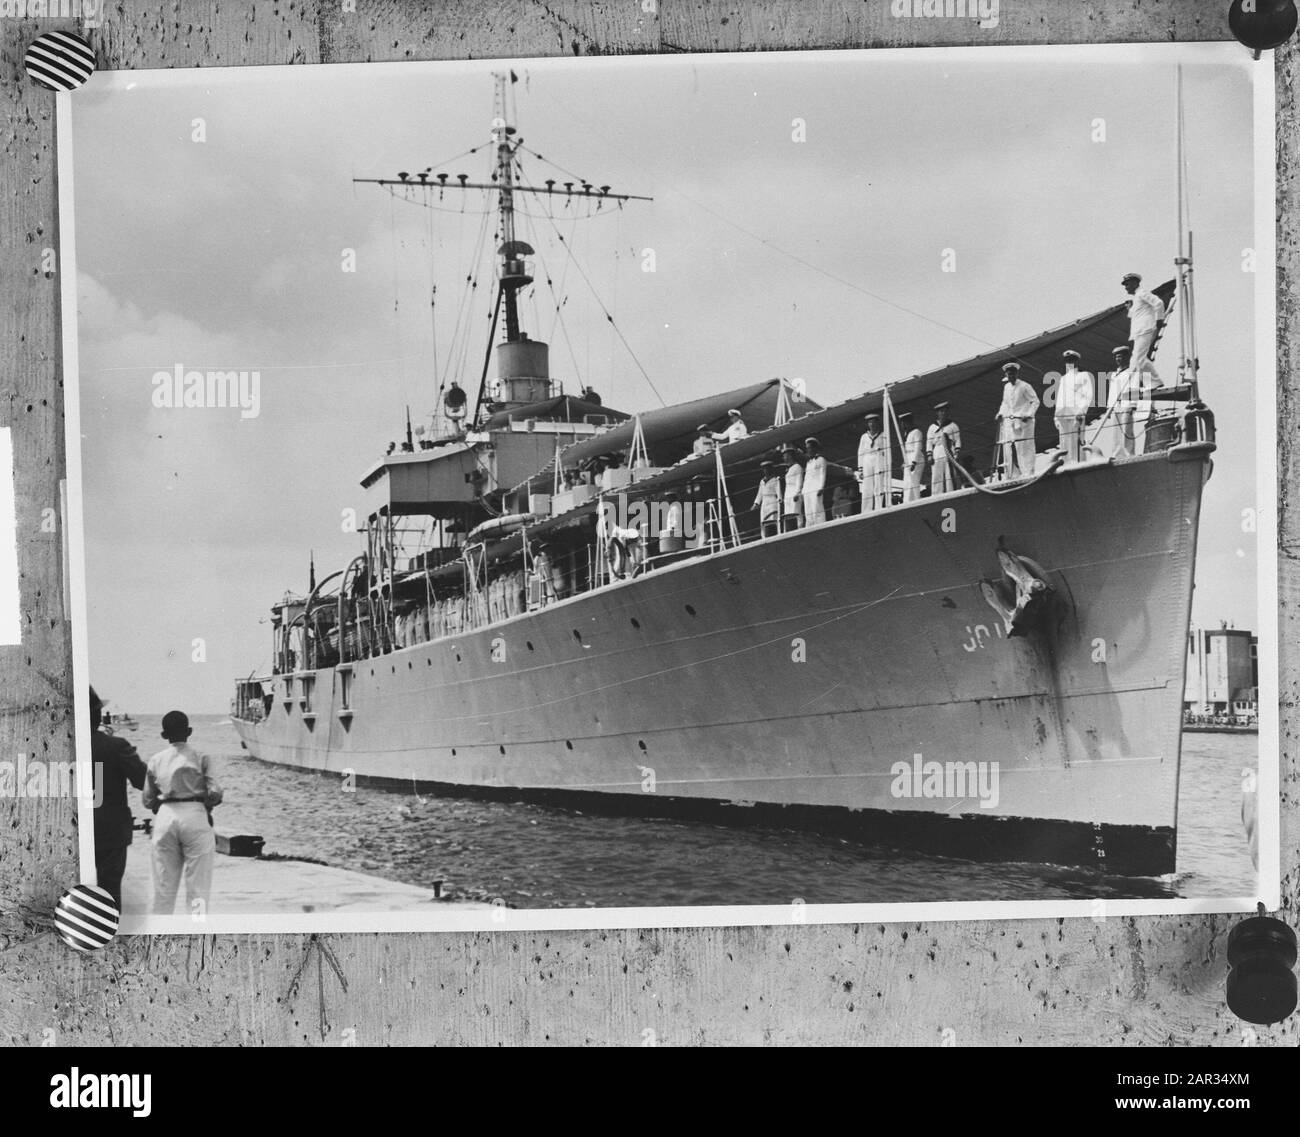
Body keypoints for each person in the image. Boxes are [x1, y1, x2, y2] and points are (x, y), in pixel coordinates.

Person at [143, 710, 222, 917]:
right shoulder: (201, 756)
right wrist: (207, 805)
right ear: (189, 731)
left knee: (162, 889)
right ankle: (195, 932)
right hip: (195, 815)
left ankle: (159, 932)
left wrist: (159, 805)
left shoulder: (155, 760)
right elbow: (215, 792)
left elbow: (147, 799)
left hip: (165, 817)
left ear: (163, 735)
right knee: (198, 889)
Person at [90, 687, 146, 910]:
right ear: (97, 715)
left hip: (70, 831)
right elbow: (143, 781)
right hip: (110, 833)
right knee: (110, 893)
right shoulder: (116, 746)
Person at [995, 362, 1040, 480]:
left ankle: (1028, 472)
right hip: (1011, 422)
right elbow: (1005, 403)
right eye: (1009, 374)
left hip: (1024, 421)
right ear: (1006, 375)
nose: (1011, 376)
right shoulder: (1006, 387)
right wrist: (1000, 413)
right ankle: (1014, 473)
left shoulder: (1025, 386)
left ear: (1017, 373)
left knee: (1025, 447)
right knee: (1010, 447)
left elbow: (1035, 401)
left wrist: (1029, 415)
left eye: (1013, 374)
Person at [1121, 272, 1165, 382]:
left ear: (1135, 283)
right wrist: (1130, 309)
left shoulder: (1142, 293)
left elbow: (1158, 303)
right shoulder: (1136, 298)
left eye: (1127, 284)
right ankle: (1154, 382)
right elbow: (1137, 315)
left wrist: (1159, 319)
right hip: (1139, 332)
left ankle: (1132, 384)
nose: (1126, 287)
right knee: (1140, 359)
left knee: (1137, 359)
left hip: (1145, 330)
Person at [1055, 349, 1093, 463]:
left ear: (1076, 361)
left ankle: (1078, 465)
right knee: (1064, 444)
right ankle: (1066, 465)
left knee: (1076, 444)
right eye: (1067, 360)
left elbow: (1088, 395)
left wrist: (1081, 412)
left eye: (1071, 360)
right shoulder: (1063, 378)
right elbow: (1060, 398)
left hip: (1076, 414)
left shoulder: (1083, 375)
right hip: (1063, 415)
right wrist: (1056, 416)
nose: (1069, 363)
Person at [1108, 344, 1140, 457]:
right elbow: (1112, 392)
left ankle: (1128, 453)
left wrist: (1133, 404)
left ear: (1126, 357)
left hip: (1127, 404)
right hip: (1116, 406)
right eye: (1116, 357)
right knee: (1116, 432)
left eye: (1120, 356)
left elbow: (1135, 387)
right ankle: (1117, 454)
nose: (1118, 359)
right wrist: (1109, 407)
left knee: (1126, 431)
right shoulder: (1114, 374)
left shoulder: (1132, 372)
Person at [856, 412, 890, 513]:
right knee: (867, 485)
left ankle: (879, 507)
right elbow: (860, 452)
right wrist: (860, 468)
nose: (871, 424)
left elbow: (887, 450)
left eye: (873, 422)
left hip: (878, 457)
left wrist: (887, 464)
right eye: (870, 422)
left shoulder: (883, 435)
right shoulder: (864, 436)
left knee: (878, 484)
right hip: (867, 458)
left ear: (877, 423)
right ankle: (866, 509)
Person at [926, 402, 961, 496]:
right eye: (941, 411)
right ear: (937, 413)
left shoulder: (953, 425)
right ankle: (936, 494)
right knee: (936, 474)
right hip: (937, 450)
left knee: (950, 473)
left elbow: (957, 440)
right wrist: (929, 455)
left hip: (949, 450)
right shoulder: (932, 427)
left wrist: (957, 452)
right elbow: (929, 442)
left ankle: (951, 492)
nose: (943, 413)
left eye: (945, 411)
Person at [899, 411, 926, 502]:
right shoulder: (907, 433)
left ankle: (915, 501)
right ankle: (907, 501)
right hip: (908, 457)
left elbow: (917, 448)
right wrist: (904, 462)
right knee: (907, 483)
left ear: (907, 422)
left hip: (916, 458)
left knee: (913, 482)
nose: (902, 425)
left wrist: (914, 462)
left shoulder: (916, 432)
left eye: (903, 422)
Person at [802, 437, 828, 526]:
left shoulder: (821, 460)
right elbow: (806, 478)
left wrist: (821, 487)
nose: (808, 450)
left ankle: (820, 526)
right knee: (808, 511)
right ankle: (809, 527)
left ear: (814, 448)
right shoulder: (808, 462)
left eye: (809, 448)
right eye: (807, 448)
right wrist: (803, 491)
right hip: (807, 489)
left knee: (817, 509)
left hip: (816, 487)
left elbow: (822, 474)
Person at [752, 461, 782, 538]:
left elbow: (778, 491)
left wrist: (780, 500)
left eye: (767, 468)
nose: (766, 470)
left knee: (773, 519)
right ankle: (764, 537)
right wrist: (756, 503)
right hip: (764, 502)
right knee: (763, 520)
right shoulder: (762, 481)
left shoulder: (775, 480)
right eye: (764, 469)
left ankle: (775, 536)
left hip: (772, 501)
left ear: (770, 469)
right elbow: (760, 494)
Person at [781, 445, 805, 531]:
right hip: (788, 495)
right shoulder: (789, 469)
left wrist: (797, 493)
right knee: (788, 515)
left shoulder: (797, 467)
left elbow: (799, 482)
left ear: (790, 456)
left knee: (796, 513)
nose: (784, 458)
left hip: (794, 495)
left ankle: (799, 528)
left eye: (785, 455)